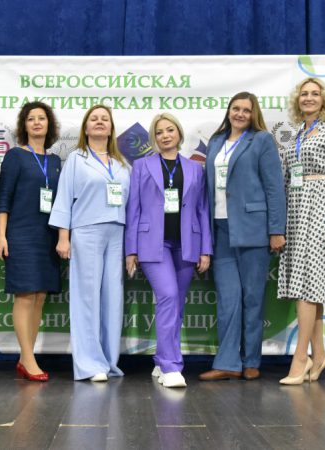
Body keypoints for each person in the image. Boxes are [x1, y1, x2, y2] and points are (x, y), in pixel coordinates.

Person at [199, 92, 286, 382]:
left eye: (246, 110)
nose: (240, 114)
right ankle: (227, 363)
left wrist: (276, 230)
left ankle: (251, 361)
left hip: (253, 229)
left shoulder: (261, 140)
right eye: (235, 108)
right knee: (228, 300)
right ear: (229, 111)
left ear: (253, 114)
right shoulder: (215, 142)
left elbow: (274, 187)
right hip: (220, 230)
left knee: (252, 298)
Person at [125, 113, 212, 388]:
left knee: (177, 304)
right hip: (153, 244)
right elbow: (134, 208)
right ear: (154, 137)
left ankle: (161, 358)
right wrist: (130, 250)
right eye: (159, 132)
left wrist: (205, 250)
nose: (165, 135)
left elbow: (202, 210)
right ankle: (170, 366)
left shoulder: (195, 168)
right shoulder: (142, 165)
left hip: (187, 244)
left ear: (179, 133)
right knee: (169, 296)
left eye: (170, 130)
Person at [278, 78, 325, 385]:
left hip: (321, 209)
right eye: (304, 94)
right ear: (297, 100)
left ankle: (300, 358)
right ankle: (321, 355)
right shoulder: (296, 134)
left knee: (309, 286)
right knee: (311, 286)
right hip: (297, 212)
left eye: (314, 94)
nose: (308, 98)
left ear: (324, 100)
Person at [49, 105, 131, 381]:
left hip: (117, 233)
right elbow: (64, 197)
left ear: (111, 127)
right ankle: (90, 364)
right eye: (94, 119)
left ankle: (108, 361)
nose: (99, 122)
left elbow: (132, 204)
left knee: (112, 298)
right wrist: (63, 236)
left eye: (104, 119)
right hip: (86, 231)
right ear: (85, 127)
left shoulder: (121, 164)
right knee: (87, 298)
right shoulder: (77, 159)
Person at [0, 101, 61, 382]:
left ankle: (26, 357)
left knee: (40, 297)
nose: (36, 123)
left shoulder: (55, 162)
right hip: (20, 234)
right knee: (24, 295)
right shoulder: (15, 157)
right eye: (31, 118)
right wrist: (0, 234)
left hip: (48, 236)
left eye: (41, 118)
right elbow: (4, 197)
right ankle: (28, 358)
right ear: (24, 125)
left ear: (49, 124)